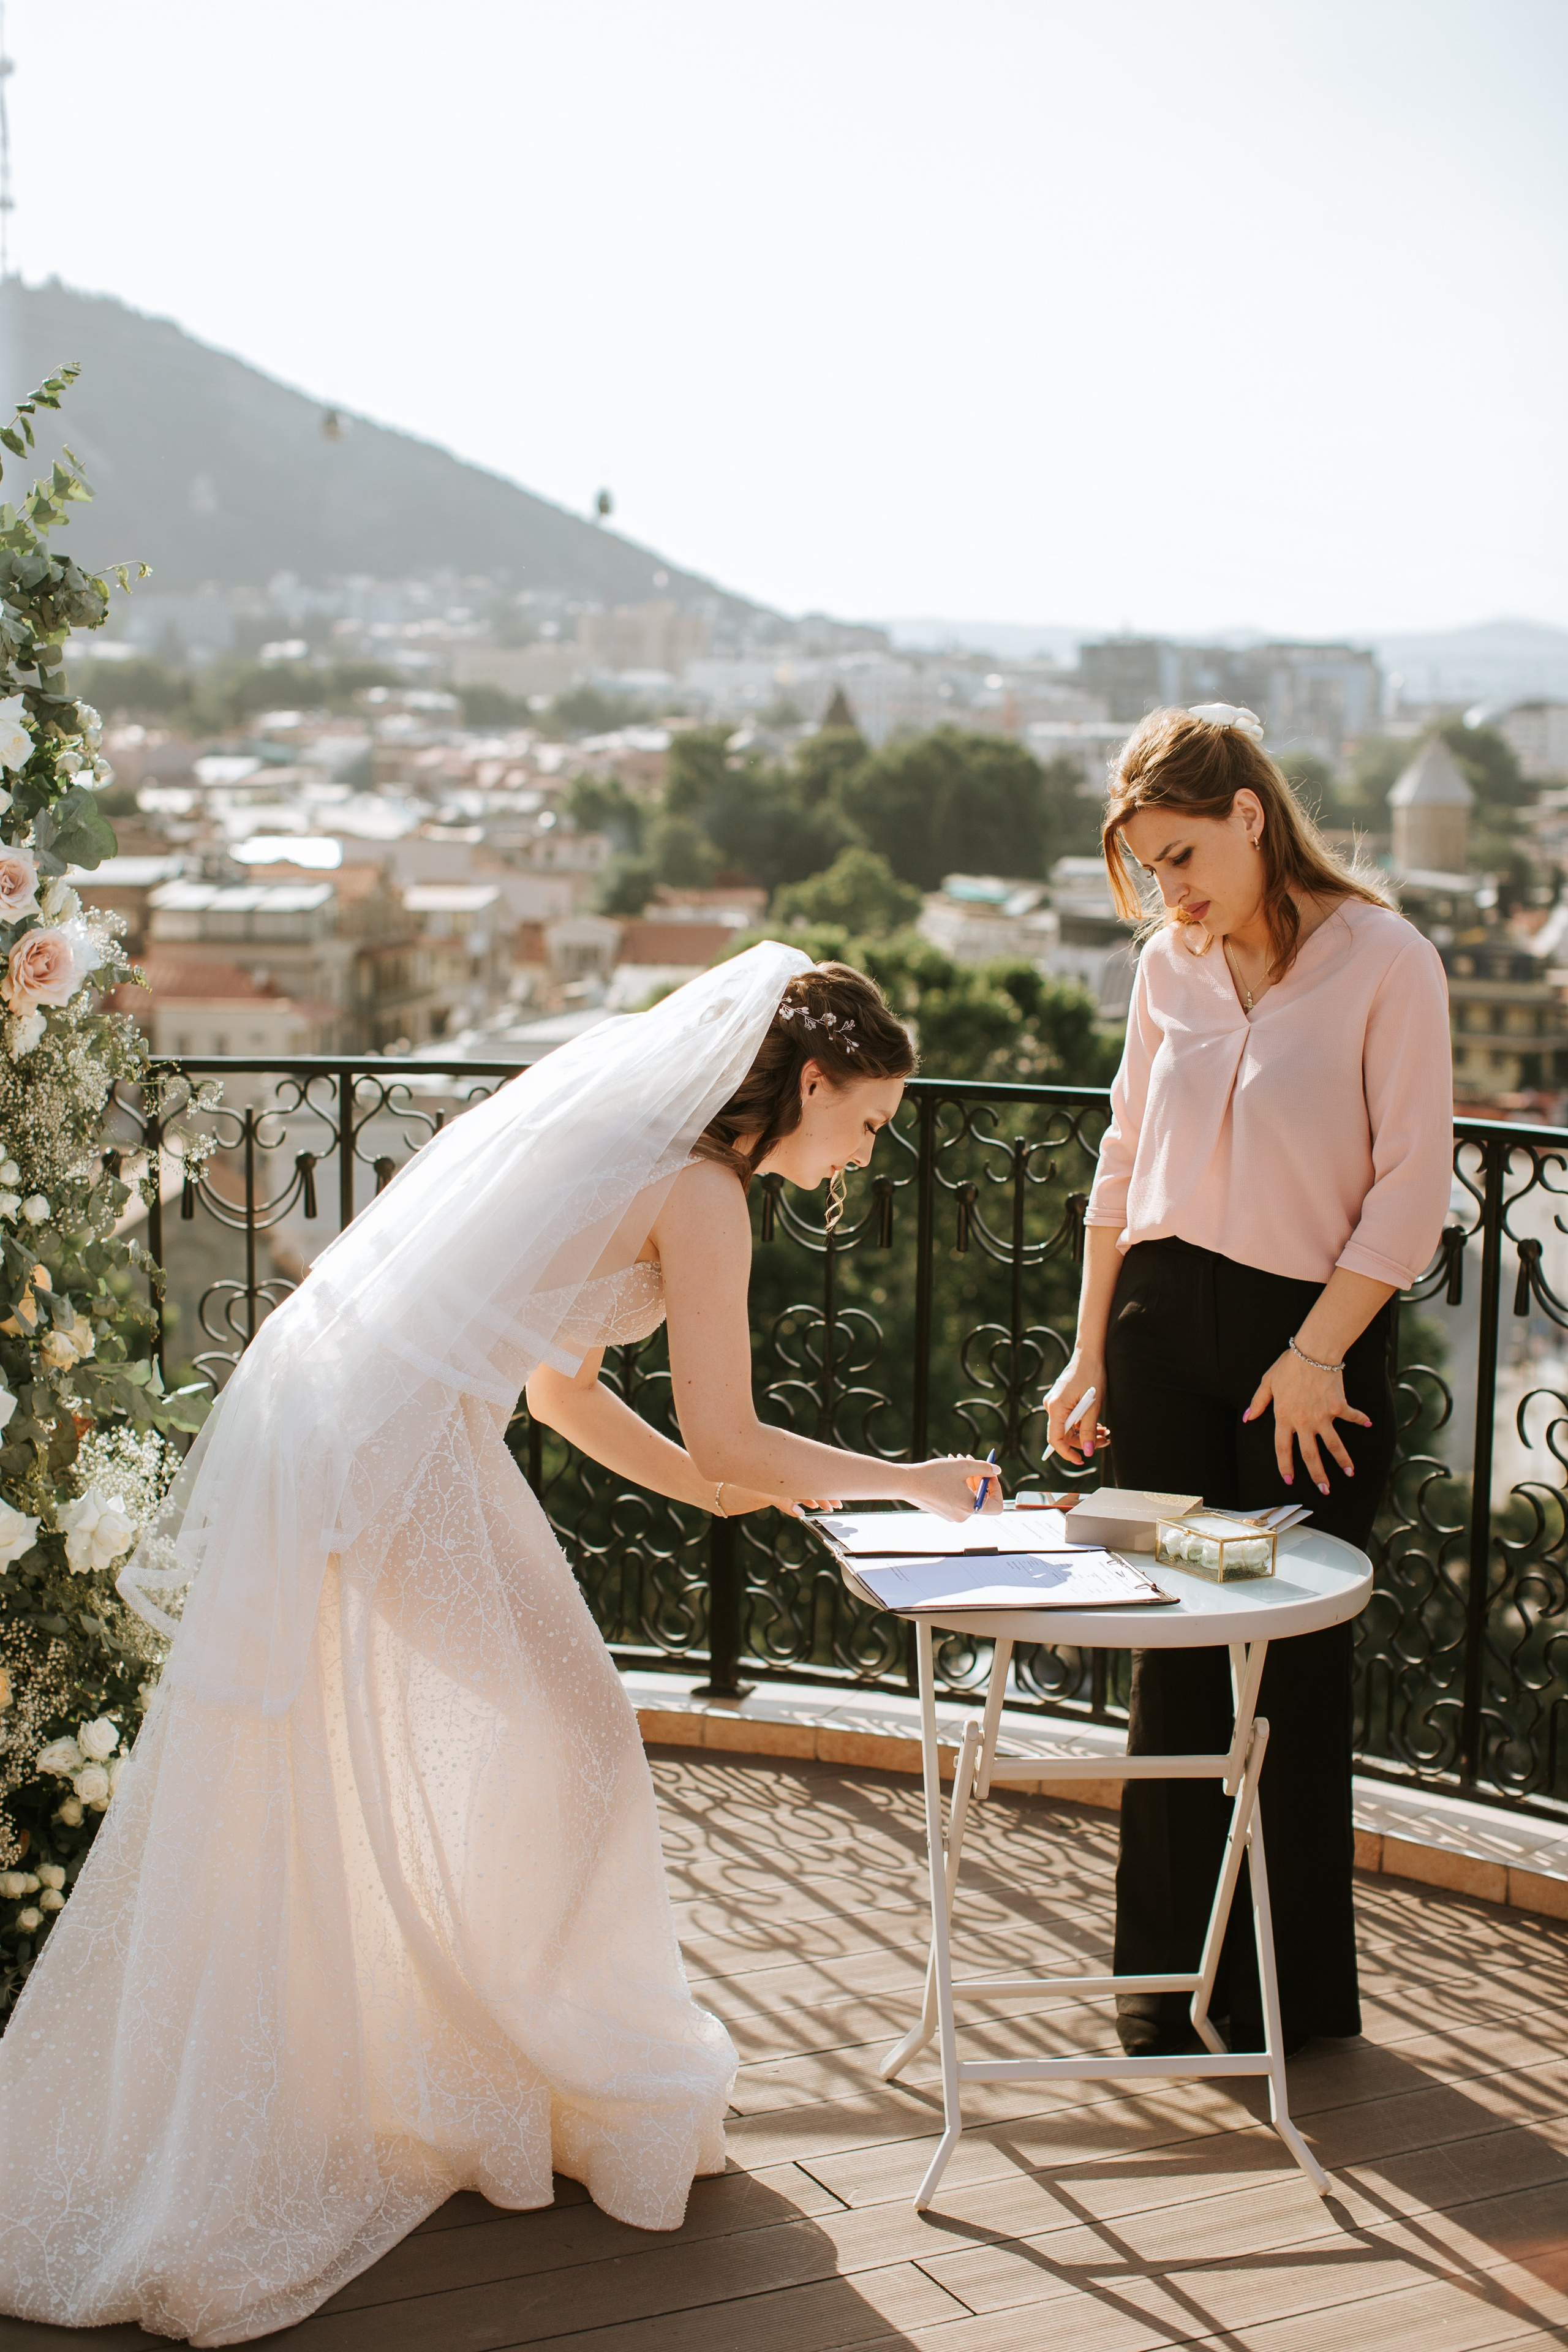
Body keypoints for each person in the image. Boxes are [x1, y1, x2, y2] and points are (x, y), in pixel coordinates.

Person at [0, 943, 998, 2345]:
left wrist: (731, 1487)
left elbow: (568, 1394)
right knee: (578, 1746)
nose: (863, 1157)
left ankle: (485, 2052)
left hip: (369, 1422)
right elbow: (720, 1431)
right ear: (813, 1082)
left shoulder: (642, 1154)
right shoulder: (706, 1194)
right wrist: (907, 1480)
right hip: (395, 1446)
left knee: (523, 1744)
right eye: (869, 1124)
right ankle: (524, 2061)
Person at [1044, 705, 1452, 2059]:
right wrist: (1088, 1345)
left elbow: (1411, 1185)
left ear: (1248, 818)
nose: (1171, 890)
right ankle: (1166, 2001)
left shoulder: (1386, 961)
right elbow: (1120, 1161)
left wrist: (1312, 1351)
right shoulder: (1167, 967)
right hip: (1162, 1334)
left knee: (1288, 1666)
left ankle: (1287, 2004)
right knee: (1168, 1658)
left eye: (1181, 855)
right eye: (1149, 869)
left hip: (1311, 1351)